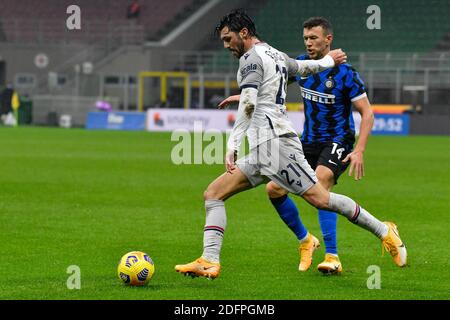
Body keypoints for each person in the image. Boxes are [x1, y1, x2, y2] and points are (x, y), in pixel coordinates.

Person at [175, 10, 406, 279]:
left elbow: (250, 104)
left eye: (228, 39)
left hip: (276, 145)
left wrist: (232, 144)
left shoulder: (250, 59)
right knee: (213, 194)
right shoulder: (275, 54)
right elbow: (304, 68)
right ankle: (209, 260)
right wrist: (329, 60)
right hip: (265, 148)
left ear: (244, 33)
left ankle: (383, 230)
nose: (226, 45)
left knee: (320, 198)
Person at [216, 17, 374, 274]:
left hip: (338, 139)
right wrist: (243, 95)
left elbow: (367, 113)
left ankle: (332, 256)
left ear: (328, 39)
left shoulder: (347, 75)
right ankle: (307, 240)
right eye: (305, 39)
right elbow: (271, 85)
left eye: (314, 38)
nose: (309, 43)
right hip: (307, 139)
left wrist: (360, 150)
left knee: (322, 181)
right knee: (273, 190)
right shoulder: (302, 65)